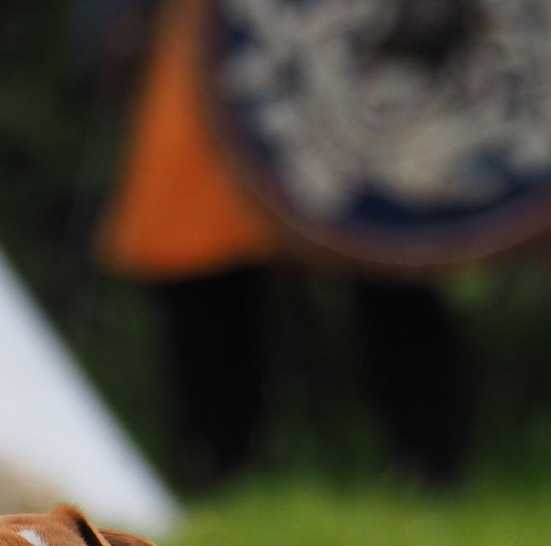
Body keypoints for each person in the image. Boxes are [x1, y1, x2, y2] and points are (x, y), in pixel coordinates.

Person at [95, 0, 479, 492]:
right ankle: (221, 477)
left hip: (362, 53)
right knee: (193, 255)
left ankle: (430, 469)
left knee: (389, 244)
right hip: (210, 52)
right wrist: (113, 25)